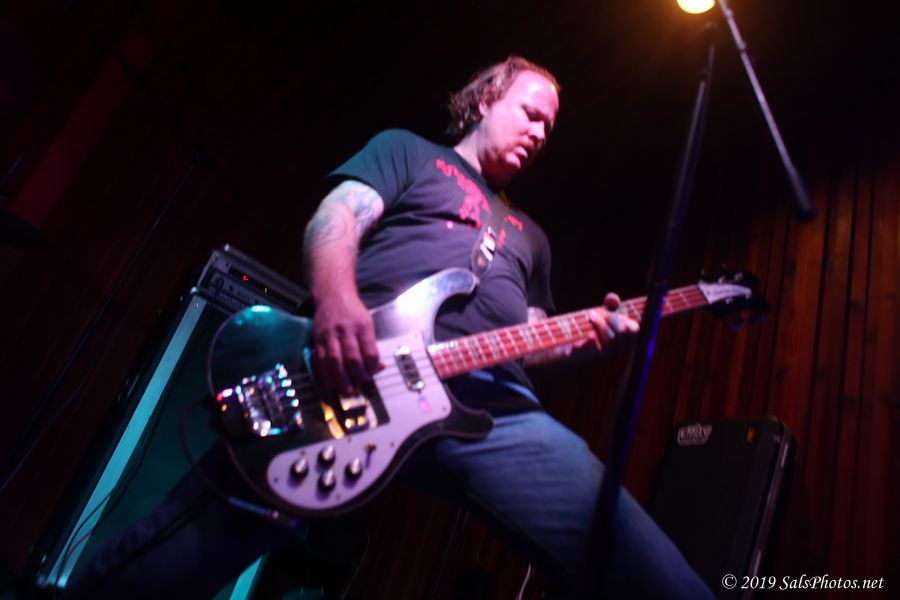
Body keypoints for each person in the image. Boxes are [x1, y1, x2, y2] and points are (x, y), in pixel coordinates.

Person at [65, 56, 712, 598]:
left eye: (551, 127)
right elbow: (338, 218)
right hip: (353, 373)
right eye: (531, 114)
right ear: (487, 99)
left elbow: (535, 334)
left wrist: (589, 335)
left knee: (636, 559)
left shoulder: (532, 238)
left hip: (495, 409)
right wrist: (337, 304)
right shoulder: (409, 153)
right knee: (177, 556)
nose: (542, 133)